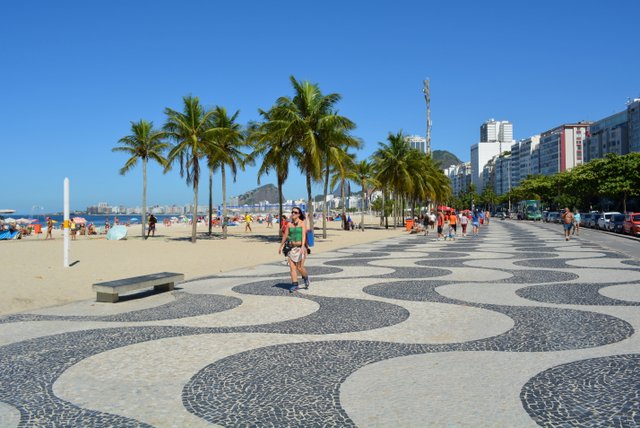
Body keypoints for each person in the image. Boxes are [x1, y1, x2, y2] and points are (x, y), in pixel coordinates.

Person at [278, 207, 309, 292]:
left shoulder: (302, 223)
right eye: (292, 212)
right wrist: (281, 246)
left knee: (299, 267)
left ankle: (305, 277)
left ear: (299, 214)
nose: (293, 214)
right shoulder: (289, 224)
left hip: (300, 248)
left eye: (295, 212)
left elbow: (303, 236)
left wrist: (303, 246)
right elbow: (285, 236)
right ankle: (295, 284)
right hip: (291, 248)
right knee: (292, 267)